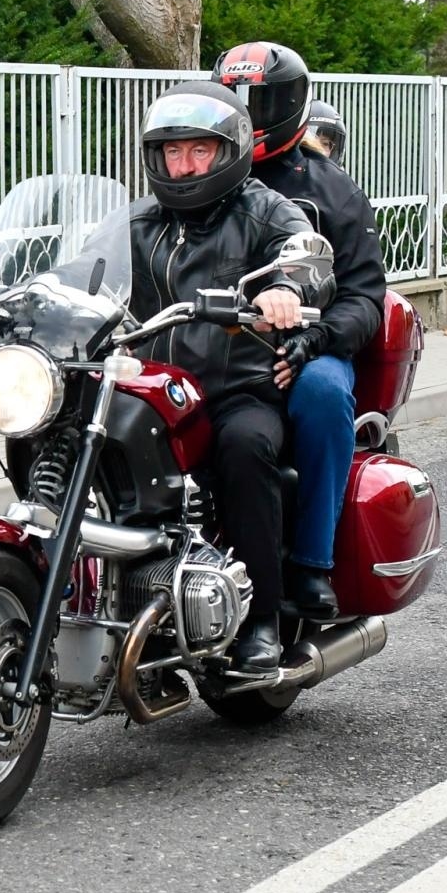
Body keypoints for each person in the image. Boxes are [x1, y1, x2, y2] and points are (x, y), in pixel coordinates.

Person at [130, 79, 317, 672]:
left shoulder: (262, 210)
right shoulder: (137, 222)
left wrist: (287, 287)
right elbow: (83, 268)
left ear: (228, 151)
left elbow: (307, 252)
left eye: (199, 151)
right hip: (156, 392)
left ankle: (261, 618)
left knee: (244, 448)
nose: (184, 167)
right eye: (173, 152)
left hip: (235, 392)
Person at [212, 42, 386, 622]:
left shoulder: (332, 190)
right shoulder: (201, 175)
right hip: (211, 339)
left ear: (290, 104)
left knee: (321, 394)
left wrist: (316, 341)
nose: (246, 112)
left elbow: (365, 296)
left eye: (259, 101)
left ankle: (312, 562)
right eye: (235, 99)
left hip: (308, 344)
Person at [304, 99, 347, 167]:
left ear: (332, 150)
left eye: (325, 143)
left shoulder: (339, 177)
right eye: (311, 142)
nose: (317, 148)